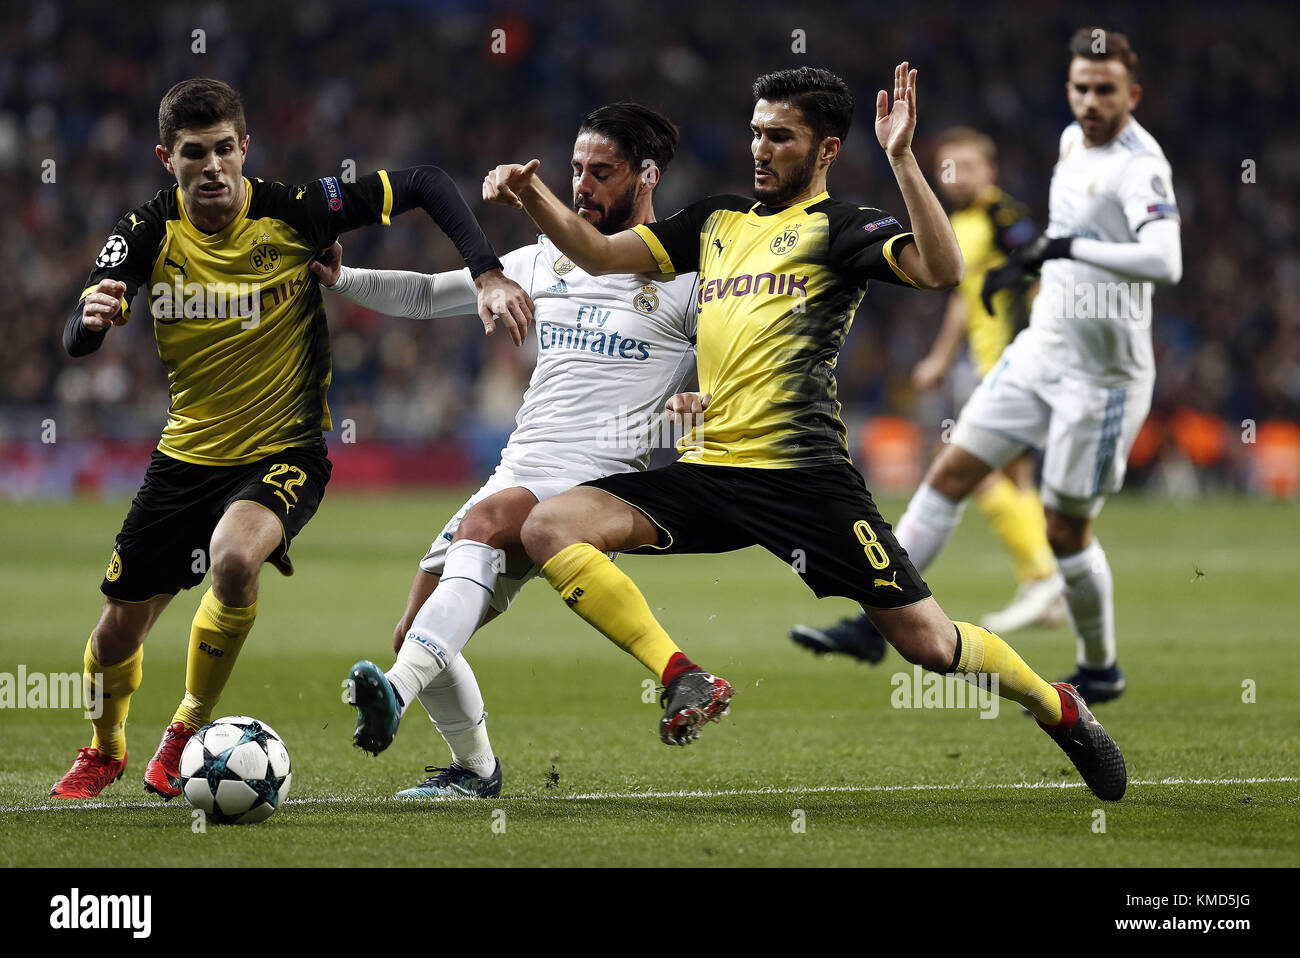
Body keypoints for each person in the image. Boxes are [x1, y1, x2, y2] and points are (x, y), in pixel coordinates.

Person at [490, 64, 1127, 801]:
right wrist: (530, 191)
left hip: (805, 480)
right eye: (755, 133)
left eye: (780, 137)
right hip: (711, 471)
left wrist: (901, 159)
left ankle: (1058, 707)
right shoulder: (715, 221)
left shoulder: (843, 229)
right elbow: (598, 253)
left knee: (927, 644)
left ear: (825, 149)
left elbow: (943, 269)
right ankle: (682, 675)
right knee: (549, 525)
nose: (760, 149)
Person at [49, 77, 531, 800]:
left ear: (244, 148)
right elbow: (77, 339)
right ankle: (106, 748)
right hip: (186, 457)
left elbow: (427, 182)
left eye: (222, 149)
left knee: (234, 558)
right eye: (192, 153)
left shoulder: (299, 212)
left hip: (286, 451)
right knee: (116, 634)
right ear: (165, 159)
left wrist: (487, 272)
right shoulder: (146, 231)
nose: (211, 166)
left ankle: (185, 730)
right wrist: (89, 317)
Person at [331, 103, 700, 798]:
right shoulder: (546, 259)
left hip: (591, 484)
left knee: (481, 527)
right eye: (575, 171)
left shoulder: (684, 279)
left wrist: (703, 406)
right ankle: (475, 772)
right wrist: (342, 280)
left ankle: (394, 701)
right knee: (414, 631)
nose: (583, 186)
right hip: (521, 465)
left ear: (647, 176)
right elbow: (425, 298)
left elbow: (743, 369)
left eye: (602, 172)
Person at [836, 29, 1182, 705]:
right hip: (1041, 349)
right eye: (1080, 87)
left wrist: (1066, 248)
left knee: (1064, 527)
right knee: (950, 472)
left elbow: (1164, 261)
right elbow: (1060, 240)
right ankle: (875, 622)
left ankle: (1101, 665)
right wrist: (1035, 266)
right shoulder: (1070, 142)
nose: (1090, 101)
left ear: (1132, 94)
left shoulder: (1142, 166)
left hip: (1102, 378)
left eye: (1105, 90)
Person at [789, 126, 1060, 662]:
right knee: (996, 475)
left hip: (1019, 364)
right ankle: (1042, 581)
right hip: (992, 368)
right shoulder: (958, 225)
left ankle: (1042, 578)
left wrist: (1041, 345)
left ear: (990, 171)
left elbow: (1041, 272)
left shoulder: (1004, 219)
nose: (955, 177)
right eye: (947, 169)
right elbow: (964, 295)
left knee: (964, 471)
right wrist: (941, 356)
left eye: (966, 167)